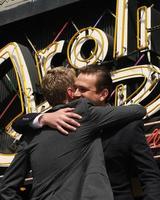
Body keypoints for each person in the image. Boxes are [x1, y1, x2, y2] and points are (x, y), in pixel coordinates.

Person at [0, 66, 146, 200]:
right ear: (70, 92)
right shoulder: (84, 114)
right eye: (77, 88)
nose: (78, 93)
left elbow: (6, 189)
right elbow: (138, 110)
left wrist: (41, 118)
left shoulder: (29, 134)